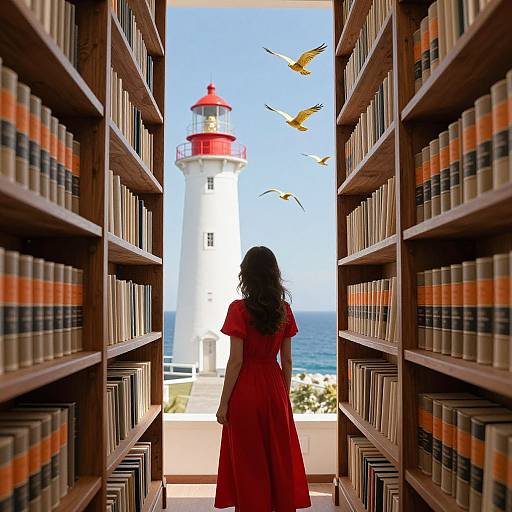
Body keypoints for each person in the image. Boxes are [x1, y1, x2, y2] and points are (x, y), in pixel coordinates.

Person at [214, 246, 311, 511]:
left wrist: (223, 404)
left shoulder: (238, 310)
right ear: (273, 274)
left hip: (246, 389)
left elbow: (235, 361)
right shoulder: (284, 310)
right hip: (274, 387)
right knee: (277, 457)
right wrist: (284, 394)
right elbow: (287, 361)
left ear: (246, 274)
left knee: (248, 461)